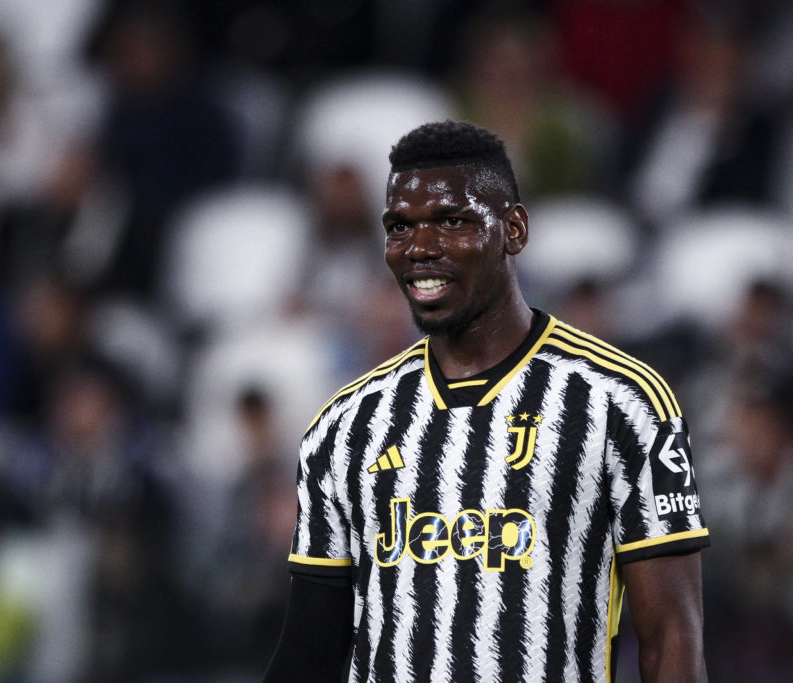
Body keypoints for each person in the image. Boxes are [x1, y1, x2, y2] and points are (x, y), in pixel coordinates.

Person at [263, 120, 709, 682]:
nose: (420, 247)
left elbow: (672, 639)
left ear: (514, 228)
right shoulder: (344, 426)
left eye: (452, 221)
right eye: (400, 227)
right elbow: (309, 653)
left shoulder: (622, 403)